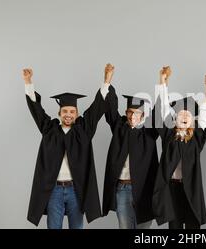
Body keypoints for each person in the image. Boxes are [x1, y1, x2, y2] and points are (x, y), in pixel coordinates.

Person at [23, 64, 112, 228]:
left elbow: (96, 108)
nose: (68, 115)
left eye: (72, 111)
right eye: (65, 111)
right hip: (54, 191)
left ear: (77, 113)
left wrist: (106, 81)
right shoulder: (50, 130)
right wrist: (28, 83)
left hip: (75, 190)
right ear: (59, 113)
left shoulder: (83, 131)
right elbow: (37, 111)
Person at [152, 67, 206, 229]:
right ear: (175, 118)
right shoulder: (168, 135)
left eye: (188, 115)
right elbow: (162, 109)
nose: (184, 116)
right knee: (175, 226)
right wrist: (163, 81)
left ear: (193, 120)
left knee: (193, 227)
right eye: (181, 114)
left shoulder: (196, 139)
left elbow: (204, 115)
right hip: (172, 189)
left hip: (191, 188)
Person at [102, 64, 159, 229]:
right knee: (125, 227)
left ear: (143, 115)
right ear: (126, 113)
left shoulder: (150, 132)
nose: (133, 116)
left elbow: (159, 111)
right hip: (123, 188)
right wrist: (107, 81)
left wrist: (162, 82)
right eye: (130, 112)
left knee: (143, 230)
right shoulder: (119, 127)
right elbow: (110, 108)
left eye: (137, 113)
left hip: (144, 188)